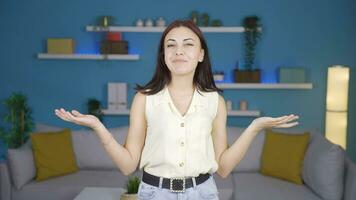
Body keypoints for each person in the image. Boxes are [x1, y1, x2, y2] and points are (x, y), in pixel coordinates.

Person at [55, 19, 299, 200]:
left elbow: (223, 167)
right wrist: (98, 127)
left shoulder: (215, 101)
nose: (178, 51)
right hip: (153, 193)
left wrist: (255, 127)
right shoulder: (144, 99)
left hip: (203, 193)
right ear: (164, 55)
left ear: (201, 54)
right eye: (170, 45)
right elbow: (128, 165)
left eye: (188, 44)